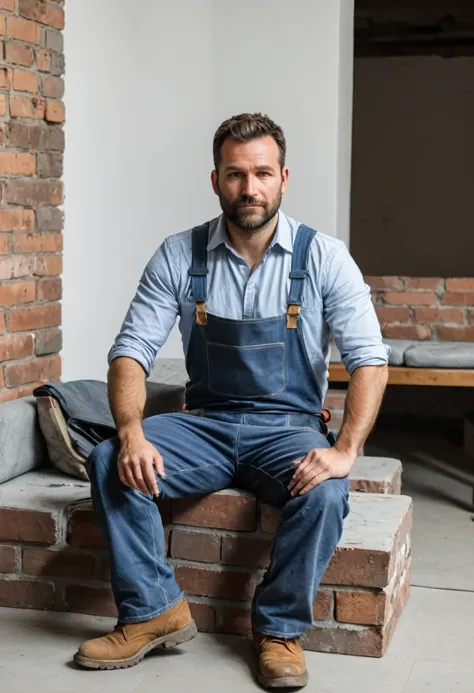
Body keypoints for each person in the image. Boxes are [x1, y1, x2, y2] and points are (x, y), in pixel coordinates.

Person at [74, 113, 389, 689]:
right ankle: (153, 611)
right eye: (236, 173)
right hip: (206, 423)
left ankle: (278, 632)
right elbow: (130, 351)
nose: (250, 188)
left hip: (289, 427)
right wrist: (133, 431)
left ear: (284, 178)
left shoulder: (323, 256)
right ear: (215, 179)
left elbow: (369, 357)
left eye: (262, 173)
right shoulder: (179, 254)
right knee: (108, 461)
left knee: (326, 493)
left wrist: (346, 450)